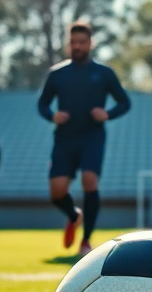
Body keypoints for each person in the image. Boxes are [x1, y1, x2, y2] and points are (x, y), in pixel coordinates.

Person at [37, 21, 131, 255]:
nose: (77, 46)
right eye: (74, 43)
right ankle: (73, 215)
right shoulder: (57, 74)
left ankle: (86, 241)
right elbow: (42, 104)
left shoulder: (104, 73)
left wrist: (107, 114)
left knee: (90, 181)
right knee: (57, 192)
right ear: (69, 44)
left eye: (82, 42)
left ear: (90, 43)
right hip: (64, 138)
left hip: (92, 137)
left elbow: (125, 102)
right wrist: (52, 115)